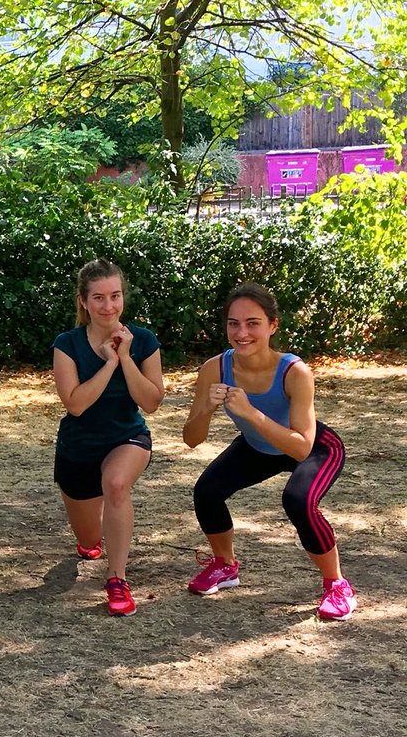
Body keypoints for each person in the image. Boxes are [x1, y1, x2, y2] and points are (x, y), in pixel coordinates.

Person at [183, 283, 353, 620]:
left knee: (298, 500)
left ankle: (336, 583)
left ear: (273, 325)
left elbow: (302, 447)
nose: (242, 332)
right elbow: (191, 439)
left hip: (314, 446)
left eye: (252, 323)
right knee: (207, 491)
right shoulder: (214, 368)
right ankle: (225, 566)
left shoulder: (295, 372)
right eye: (233, 323)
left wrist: (251, 413)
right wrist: (206, 410)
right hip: (258, 445)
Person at [51, 259, 164, 617]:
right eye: (98, 298)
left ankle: (117, 579)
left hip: (127, 438)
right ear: (83, 302)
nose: (108, 306)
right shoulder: (66, 344)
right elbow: (77, 405)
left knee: (116, 485)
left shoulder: (143, 340)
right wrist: (109, 364)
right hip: (79, 448)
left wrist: (126, 357)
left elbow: (152, 403)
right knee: (88, 540)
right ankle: (91, 544)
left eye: (115, 296)